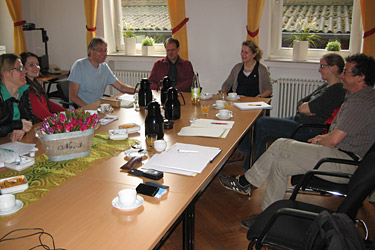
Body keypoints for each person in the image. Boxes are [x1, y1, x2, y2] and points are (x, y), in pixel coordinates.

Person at [219, 53, 375, 228]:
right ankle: (269, 217)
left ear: (361, 77)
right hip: (339, 154)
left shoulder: (360, 103)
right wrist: (323, 137)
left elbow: (334, 140)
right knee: (280, 165)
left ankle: (246, 182)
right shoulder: (360, 97)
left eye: (346, 71)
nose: (342, 75)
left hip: (343, 161)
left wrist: (319, 141)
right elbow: (342, 134)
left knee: (280, 145)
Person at [237, 53, 346, 171]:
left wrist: (306, 108)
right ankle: (252, 168)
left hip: (307, 129)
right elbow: (301, 103)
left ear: (334, 67)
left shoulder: (337, 90)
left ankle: (246, 162)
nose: (319, 69)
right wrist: (306, 108)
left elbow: (304, 107)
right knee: (260, 126)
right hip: (299, 120)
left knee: (262, 124)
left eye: (322, 66)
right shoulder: (326, 86)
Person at [68, 37, 135, 107]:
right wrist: (91, 109)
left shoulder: (104, 67)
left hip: (97, 108)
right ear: (91, 51)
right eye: (100, 50)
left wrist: (139, 90)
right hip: (82, 110)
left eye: (105, 50)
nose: (104, 54)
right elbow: (73, 97)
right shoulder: (79, 65)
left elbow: (121, 87)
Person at [20, 52, 65, 122]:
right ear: (23, 68)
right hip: (38, 125)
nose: (36, 67)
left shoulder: (35, 83)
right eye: (31, 65)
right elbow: (43, 114)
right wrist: (62, 120)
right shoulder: (26, 89)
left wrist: (68, 112)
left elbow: (47, 103)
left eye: (37, 64)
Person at [0, 54, 35, 142]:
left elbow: (29, 119)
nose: (25, 72)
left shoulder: (23, 91)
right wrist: (19, 124)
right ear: (5, 73)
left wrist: (22, 130)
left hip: (12, 142)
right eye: (19, 69)